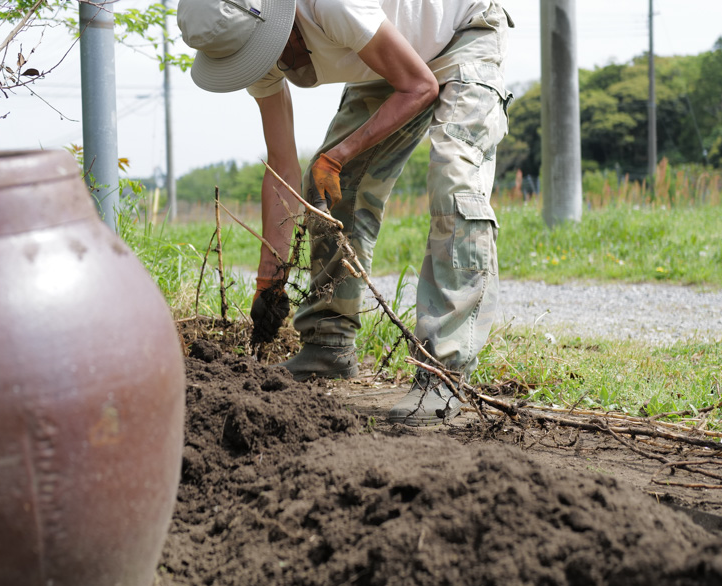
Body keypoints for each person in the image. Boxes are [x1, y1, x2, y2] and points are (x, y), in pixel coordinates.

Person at [177, 0, 512, 426]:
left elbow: (419, 86)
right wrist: (270, 281)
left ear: (282, 20)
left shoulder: (331, 5)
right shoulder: (247, 47)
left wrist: (340, 154)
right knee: (329, 189)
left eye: (272, 50)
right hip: (383, 55)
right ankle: (326, 345)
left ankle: (443, 372)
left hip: (462, 31)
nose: (273, 63)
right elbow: (281, 163)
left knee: (454, 182)